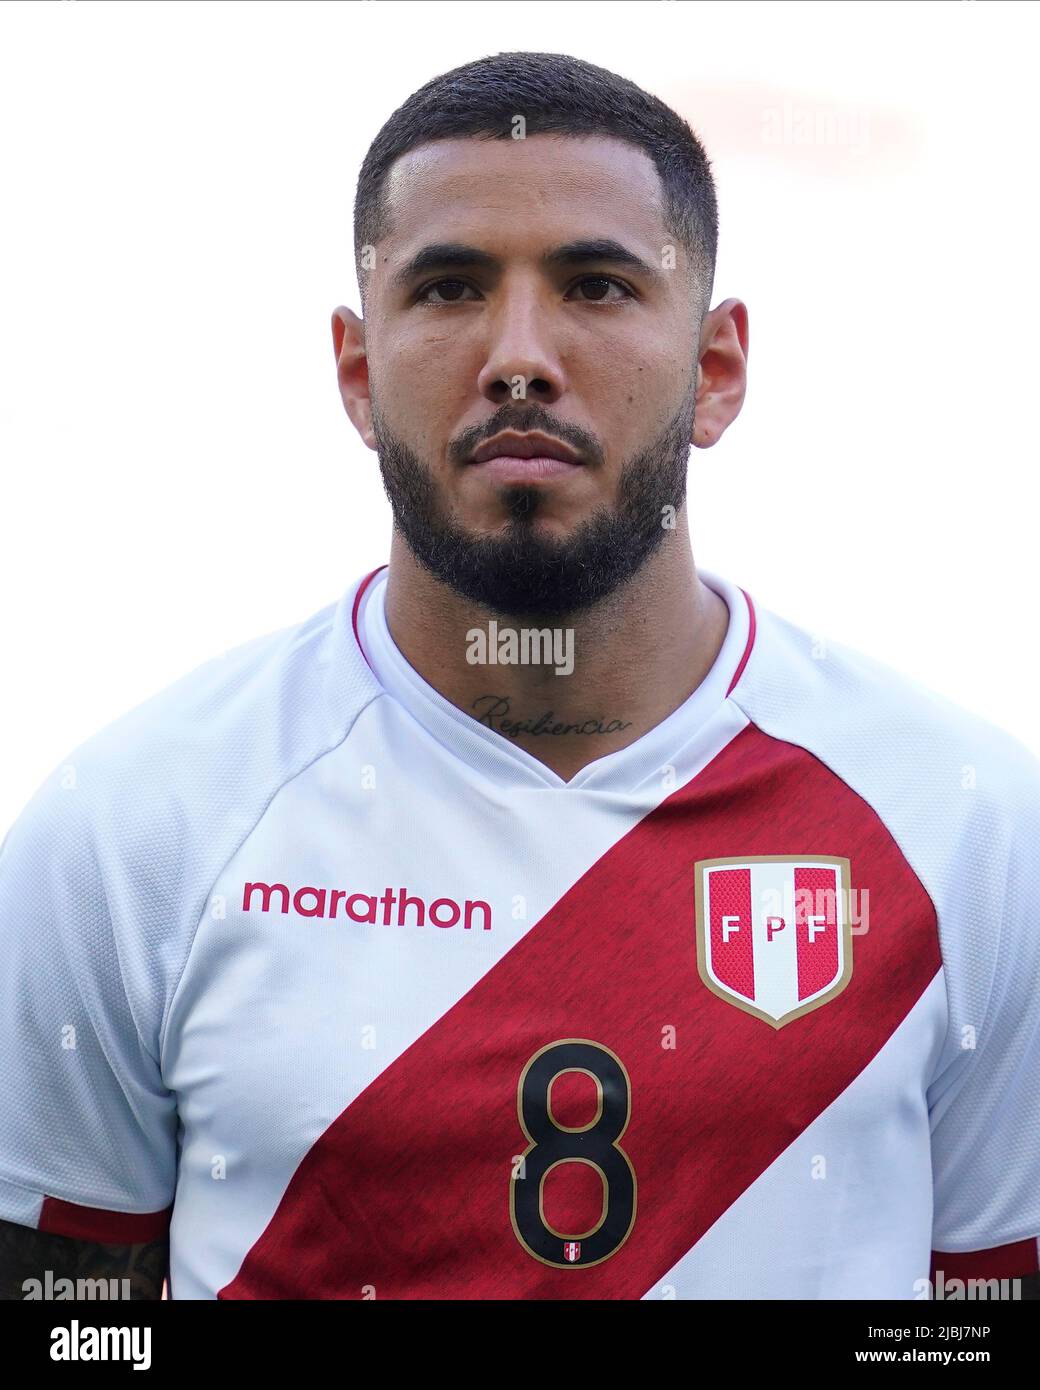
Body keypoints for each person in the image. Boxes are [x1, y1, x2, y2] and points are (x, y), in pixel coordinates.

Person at [1, 50, 1037, 1302]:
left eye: (596, 286)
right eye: (446, 289)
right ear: (356, 373)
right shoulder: (134, 829)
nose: (519, 357)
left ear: (715, 370)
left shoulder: (969, 828)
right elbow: (64, 1335)